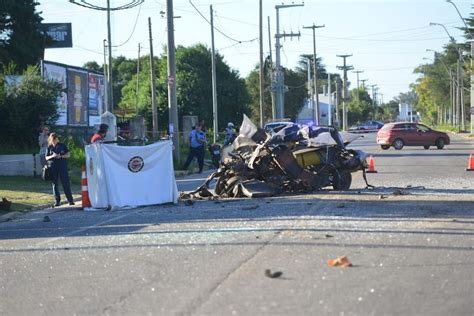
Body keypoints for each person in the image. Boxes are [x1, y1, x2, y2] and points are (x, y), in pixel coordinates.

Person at [45, 133, 74, 206]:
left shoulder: (62, 145)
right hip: (53, 167)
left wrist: (61, 156)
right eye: (53, 140)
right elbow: (46, 157)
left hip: (62, 166)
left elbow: (68, 154)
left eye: (56, 139)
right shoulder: (49, 147)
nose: (55, 141)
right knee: (55, 184)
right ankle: (57, 201)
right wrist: (52, 156)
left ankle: (70, 200)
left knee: (65, 183)